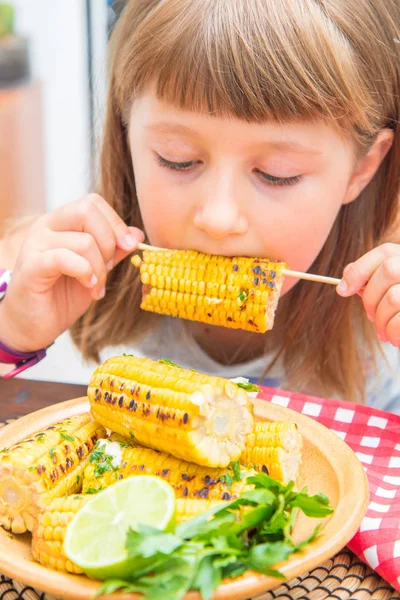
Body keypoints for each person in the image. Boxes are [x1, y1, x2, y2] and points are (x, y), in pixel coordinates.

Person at [0, 0, 399, 412]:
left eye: (277, 173)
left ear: (361, 168)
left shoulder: (385, 319)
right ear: (125, 129)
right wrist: (12, 333)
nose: (218, 218)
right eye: (178, 159)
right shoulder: (48, 274)